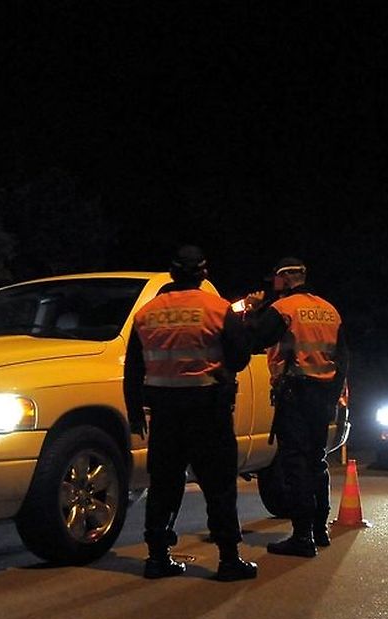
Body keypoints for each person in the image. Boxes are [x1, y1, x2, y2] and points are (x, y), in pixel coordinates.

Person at [123, 245, 258, 582]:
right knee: (219, 485)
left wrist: (134, 412)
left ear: (171, 274)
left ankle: (157, 558)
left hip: (165, 412)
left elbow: (133, 368)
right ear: (203, 273)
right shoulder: (217, 308)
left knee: (164, 484)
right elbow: (240, 357)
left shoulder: (146, 313)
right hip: (208, 408)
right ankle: (229, 560)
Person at [247, 257, 349, 557]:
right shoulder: (329, 310)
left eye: (275, 280)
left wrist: (253, 311)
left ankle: (301, 537)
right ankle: (320, 530)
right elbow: (343, 358)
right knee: (317, 461)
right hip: (322, 396)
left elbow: (256, 339)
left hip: (294, 394)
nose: (272, 285)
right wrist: (332, 394)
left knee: (295, 463)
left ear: (285, 279)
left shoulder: (283, 310)